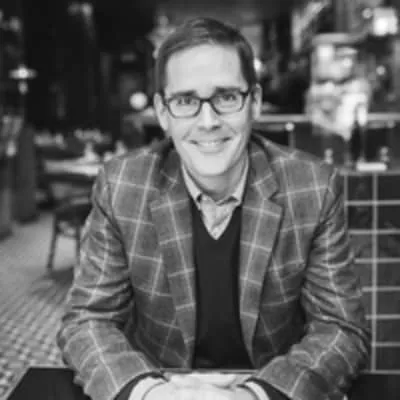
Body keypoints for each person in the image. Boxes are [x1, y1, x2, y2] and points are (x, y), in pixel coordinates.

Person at [57, 17, 370, 400]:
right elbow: (88, 319)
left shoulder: (312, 186)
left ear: (254, 102)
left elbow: (341, 328)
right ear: (163, 113)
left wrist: (256, 395)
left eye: (226, 97)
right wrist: (149, 393)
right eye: (185, 101)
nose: (208, 122)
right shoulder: (122, 185)